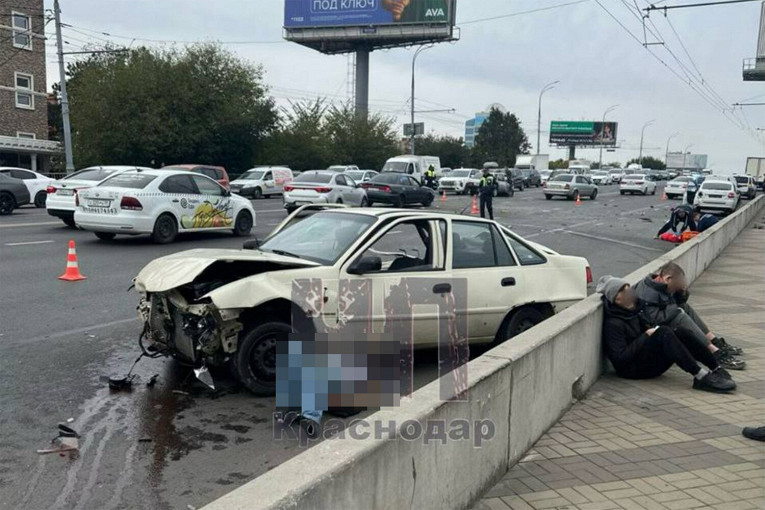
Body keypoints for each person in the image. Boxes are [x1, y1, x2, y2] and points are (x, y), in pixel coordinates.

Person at [597, 275, 735, 392]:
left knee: (680, 332)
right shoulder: (613, 323)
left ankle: (716, 368)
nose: (629, 296)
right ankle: (700, 376)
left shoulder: (635, 311)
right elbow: (620, 360)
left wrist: (650, 332)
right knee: (663, 332)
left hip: (646, 361)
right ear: (615, 299)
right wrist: (646, 336)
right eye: (623, 293)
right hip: (633, 370)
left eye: (628, 291)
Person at [633, 262, 745, 370]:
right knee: (680, 316)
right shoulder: (647, 293)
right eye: (677, 284)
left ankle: (714, 341)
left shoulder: (664, 285)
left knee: (685, 308)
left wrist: (681, 293)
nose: (677, 286)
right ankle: (713, 352)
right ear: (668, 279)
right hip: (650, 332)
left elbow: (678, 303)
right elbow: (653, 320)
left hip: (660, 323)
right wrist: (675, 308)